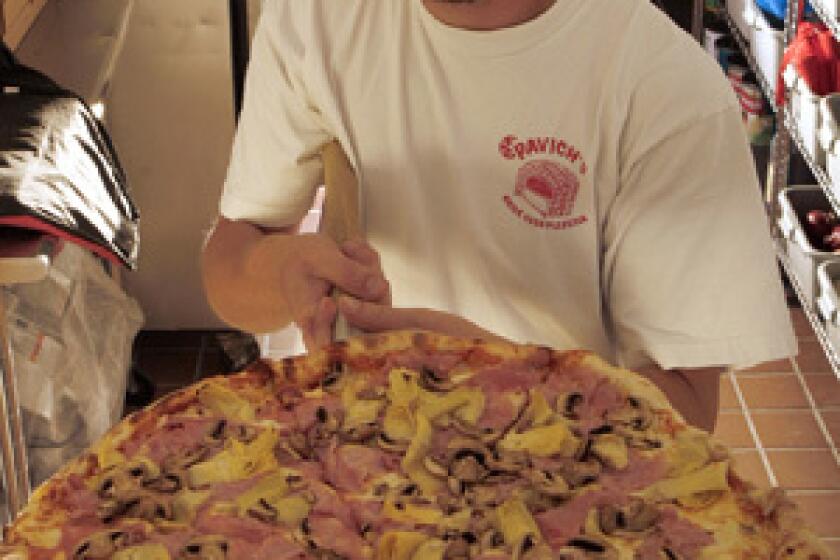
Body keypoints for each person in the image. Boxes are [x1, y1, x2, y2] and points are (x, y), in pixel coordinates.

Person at [201, 0, 797, 433]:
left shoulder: (662, 85)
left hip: (556, 485)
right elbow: (230, 270)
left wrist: (505, 375)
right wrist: (281, 270)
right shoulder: (316, 20)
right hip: (350, 467)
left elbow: (685, 418)